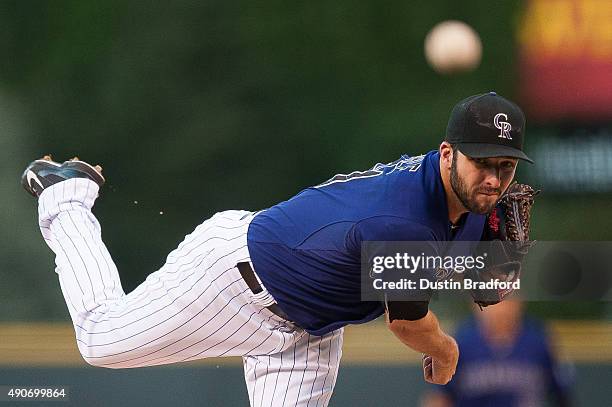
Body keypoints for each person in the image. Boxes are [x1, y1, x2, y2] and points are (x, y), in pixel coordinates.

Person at [21, 92, 532, 406]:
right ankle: (66, 195)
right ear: (447, 154)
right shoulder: (402, 222)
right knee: (99, 340)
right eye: (480, 162)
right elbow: (407, 323)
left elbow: (458, 269)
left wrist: (487, 271)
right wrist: (447, 350)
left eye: (504, 167)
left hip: (311, 327)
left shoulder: (461, 197)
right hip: (234, 283)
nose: (492, 178)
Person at [420, 300, 573, 407]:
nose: (499, 308)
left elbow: (561, 394)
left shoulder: (539, 340)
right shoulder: (461, 342)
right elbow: (439, 398)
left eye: (505, 299)